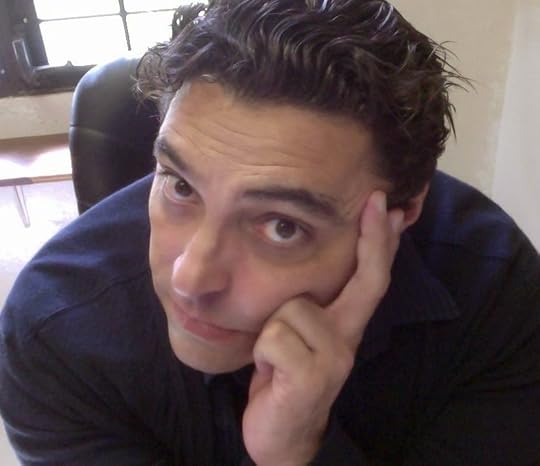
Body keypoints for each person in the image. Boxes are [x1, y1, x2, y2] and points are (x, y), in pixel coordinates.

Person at [1, 1, 539, 465]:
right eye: (181, 185)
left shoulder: (496, 299)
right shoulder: (54, 338)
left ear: (406, 210)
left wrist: (296, 451)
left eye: (282, 226)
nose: (190, 278)